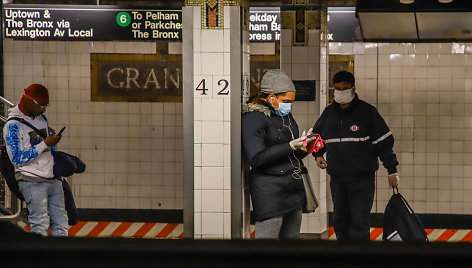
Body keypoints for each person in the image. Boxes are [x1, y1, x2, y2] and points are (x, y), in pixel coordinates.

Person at [312, 71, 399, 241]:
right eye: (337, 89)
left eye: (344, 89)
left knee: (359, 223)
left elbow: (384, 144)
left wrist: (392, 170)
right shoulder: (329, 114)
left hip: (362, 180)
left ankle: (360, 259)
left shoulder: (367, 112)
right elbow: (316, 137)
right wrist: (318, 154)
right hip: (337, 179)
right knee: (340, 222)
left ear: (353, 89)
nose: (340, 92)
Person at [242, 69, 316, 239]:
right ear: (270, 96)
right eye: (285, 101)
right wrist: (290, 146)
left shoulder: (285, 116)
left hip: (292, 189)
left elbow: (288, 155)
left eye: (291, 101)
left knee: (291, 243)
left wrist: (304, 148)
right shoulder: (253, 118)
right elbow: (256, 158)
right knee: (266, 244)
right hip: (270, 192)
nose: (288, 105)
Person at [3, 84, 68, 236]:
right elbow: (17, 159)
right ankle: (40, 258)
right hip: (32, 181)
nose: (43, 109)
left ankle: (62, 258)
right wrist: (45, 143)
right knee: (39, 225)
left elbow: (44, 146)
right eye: (41, 105)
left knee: (61, 224)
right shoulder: (13, 126)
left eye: (46, 105)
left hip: (53, 178)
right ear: (28, 101)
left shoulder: (41, 118)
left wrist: (50, 142)